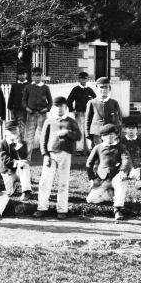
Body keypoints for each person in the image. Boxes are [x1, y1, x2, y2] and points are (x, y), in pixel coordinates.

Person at [37, 90, 83, 218]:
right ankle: (42, 207)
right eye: (56, 107)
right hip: (51, 155)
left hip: (65, 154)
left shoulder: (71, 121)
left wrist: (68, 132)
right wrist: (45, 154)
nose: (59, 109)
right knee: (45, 181)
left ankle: (62, 209)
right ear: (53, 108)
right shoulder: (49, 121)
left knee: (63, 182)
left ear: (66, 108)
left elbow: (78, 136)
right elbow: (43, 140)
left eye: (61, 106)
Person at [86, 123, 132, 222]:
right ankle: (109, 194)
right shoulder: (98, 147)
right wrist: (92, 179)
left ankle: (117, 209)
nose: (110, 137)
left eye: (112, 134)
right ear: (102, 137)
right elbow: (89, 163)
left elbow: (127, 159)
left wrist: (123, 171)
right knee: (91, 199)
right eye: (106, 135)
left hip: (116, 175)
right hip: (102, 178)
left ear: (116, 135)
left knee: (122, 181)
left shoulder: (121, 147)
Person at [13, 73, 51, 170]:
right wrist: (26, 108)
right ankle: (27, 157)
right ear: (32, 77)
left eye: (39, 76)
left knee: (44, 134)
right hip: (31, 114)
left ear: (41, 77)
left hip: (42, 114)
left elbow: (50, 101)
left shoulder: (45, 87)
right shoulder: (28, 87)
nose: (37, 78)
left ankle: (46, 156)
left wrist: (46, 109)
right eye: (35, 76)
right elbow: (24, 100)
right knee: (29, 136)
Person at [66, 72, 96, 147]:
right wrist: (72, 110)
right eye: (81, 78)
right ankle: (79, 149)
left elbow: (96, 100)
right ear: (79, 79)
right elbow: (69, 100)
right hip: (79, 113)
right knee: (80, 130)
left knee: (89, 130)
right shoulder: (75, 89)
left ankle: (90, 148)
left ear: (87, 79)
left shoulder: (89, 90)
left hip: (89, 113)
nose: (83, 80)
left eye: (85, 78)